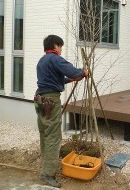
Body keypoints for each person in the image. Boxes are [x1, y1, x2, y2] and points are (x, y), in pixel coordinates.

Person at [35, 35, 88, 188]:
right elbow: (71, 70)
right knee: (54, 136)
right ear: (55, 46)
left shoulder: (42, 60)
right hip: (51, 100)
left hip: (41, 99)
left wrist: (72, 80)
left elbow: (56, 79)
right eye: (61, 46)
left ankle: (47, 165)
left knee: (45, 133)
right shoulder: (55, 58)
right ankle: (47, 174)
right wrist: (81, 73)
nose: (61, 49)